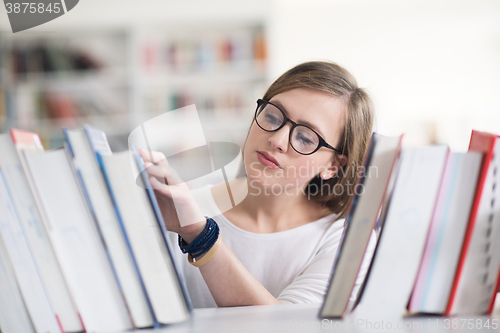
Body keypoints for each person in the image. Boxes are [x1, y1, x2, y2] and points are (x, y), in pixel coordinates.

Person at [139, 61, 375, 308]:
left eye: (305, 138)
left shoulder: (345, 241)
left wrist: (200, 236)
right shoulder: (177, 208)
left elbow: (286, 328)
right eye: (272, 116)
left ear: (333, 166)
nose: (277, 139)